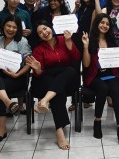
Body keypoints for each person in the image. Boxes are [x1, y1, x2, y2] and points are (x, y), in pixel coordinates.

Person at [25, 20, 81, 150]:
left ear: (51, 28)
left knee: (70, 70)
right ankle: (59, 131)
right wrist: (37, 68)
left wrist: (68, 42)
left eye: (45, 29)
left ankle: (44, 100)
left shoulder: (64, 39)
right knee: (57, 92)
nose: (44, 33)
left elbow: (76, 58)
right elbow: (39, 74)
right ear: (38, 36)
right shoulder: (38, 49)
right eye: (40, 32)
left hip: (67, 77)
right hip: (46, 79)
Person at [0, 15, 32, 144]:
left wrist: (17, 74)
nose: (11, 29)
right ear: (3, 27)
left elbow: (28, 63)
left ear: (18, 29)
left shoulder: (22, 41)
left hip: (16, 78)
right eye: (8, 26)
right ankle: (9, 103)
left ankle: (1, 128)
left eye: (14, 27)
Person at [81, 14, 119, 145]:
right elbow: (86, 64)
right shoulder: (90, 40)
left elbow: (118, 64)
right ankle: (97, 121)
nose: (104, 26)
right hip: (95, 76)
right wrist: (85, 47)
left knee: (114, 88)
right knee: (103, 87)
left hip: (112, 74)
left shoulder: (113, 41)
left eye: (107, 24)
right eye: (102, 23)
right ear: (97, 24)